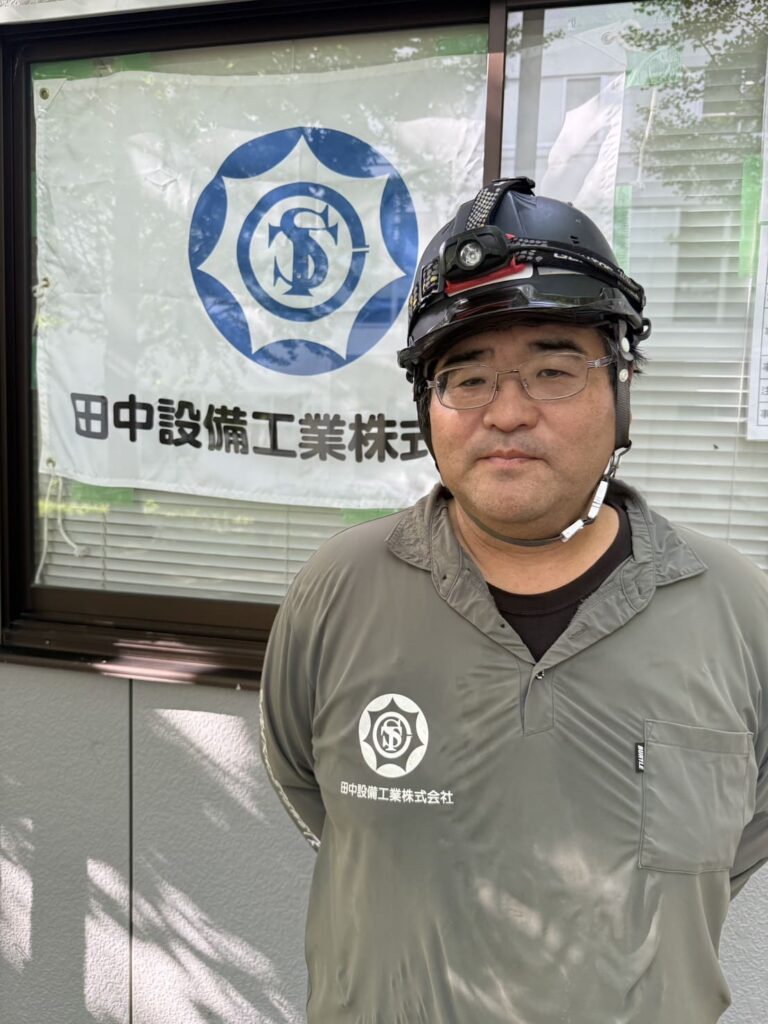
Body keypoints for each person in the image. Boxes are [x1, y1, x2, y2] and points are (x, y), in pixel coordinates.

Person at [260, 177, 768, 1024]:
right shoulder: (338, 591)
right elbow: (308, 784)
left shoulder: (740, 613)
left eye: (553, 371)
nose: (507, 413)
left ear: (621, 388)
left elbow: (742, 836)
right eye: (466, 378)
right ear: (428, 409)